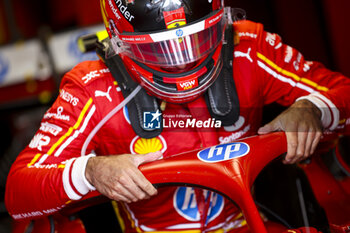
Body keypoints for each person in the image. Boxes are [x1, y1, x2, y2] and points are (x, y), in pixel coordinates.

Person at [5, 0, 350, 232]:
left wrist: (314, 109)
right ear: (121, 43)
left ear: (223, 22)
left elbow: (342, 92)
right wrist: (92, 171)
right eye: (159, 48)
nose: (182, 62)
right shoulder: (92, 89)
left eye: (197, 41)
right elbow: (19, 193)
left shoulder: (249, 47)